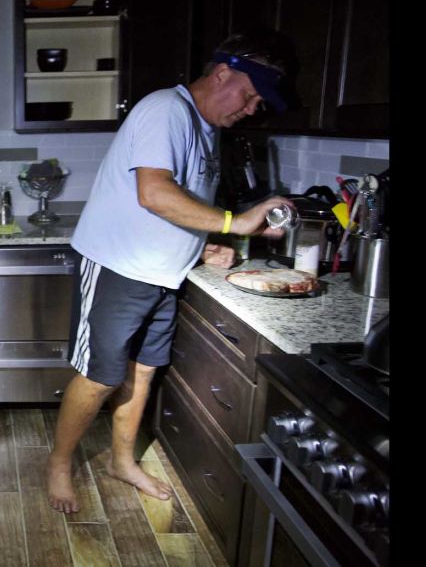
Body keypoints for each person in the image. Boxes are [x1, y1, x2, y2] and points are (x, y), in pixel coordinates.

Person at [46, 29, 295, 513]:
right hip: (119, 265)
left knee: (144, 373)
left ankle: (122, 461)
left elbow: (177, 206)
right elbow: (154, 193)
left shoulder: (204, 129)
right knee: (99, 376)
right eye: (248, 95)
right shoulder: (167, 110)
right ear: (222, 74)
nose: (250, 108)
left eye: (257, 103)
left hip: (162, 274)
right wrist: (234, 222)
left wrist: (204, 246)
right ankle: (59, 462)